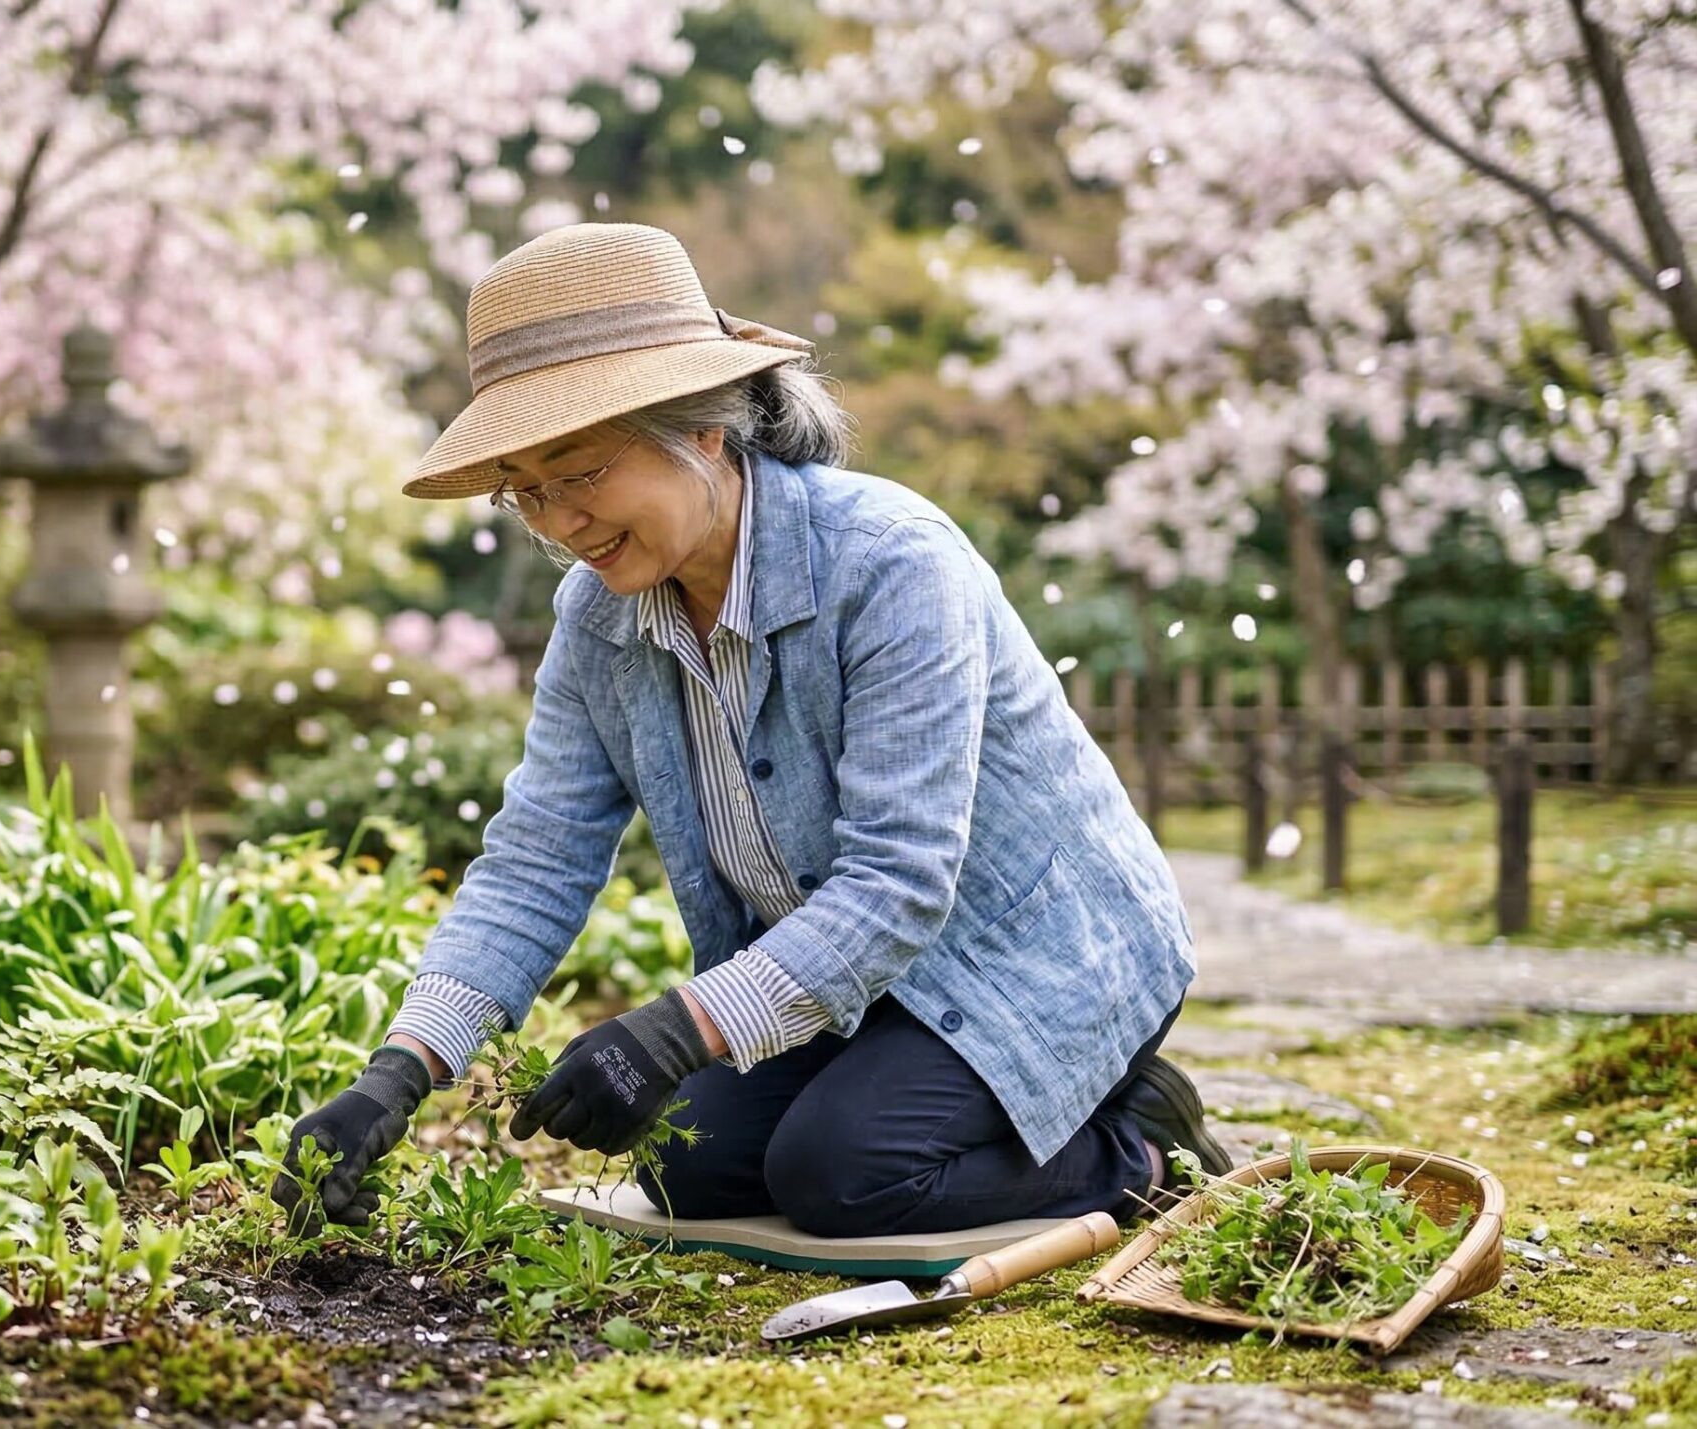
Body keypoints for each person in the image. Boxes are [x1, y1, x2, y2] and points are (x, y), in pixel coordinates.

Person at [272, 222, 1229, 1240]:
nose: (558, 521)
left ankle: (1142, 1140)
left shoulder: (890, 563)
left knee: (846, 1176)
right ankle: (1000, 1109)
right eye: (526, 489)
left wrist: (676, 1030)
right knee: (688, 1163)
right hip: (853, 979)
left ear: (704, 430)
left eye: (579, 470)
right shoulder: (598, 621)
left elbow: (899, 880)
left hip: (1039, 954)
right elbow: (535, 860)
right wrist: (398, 1072)